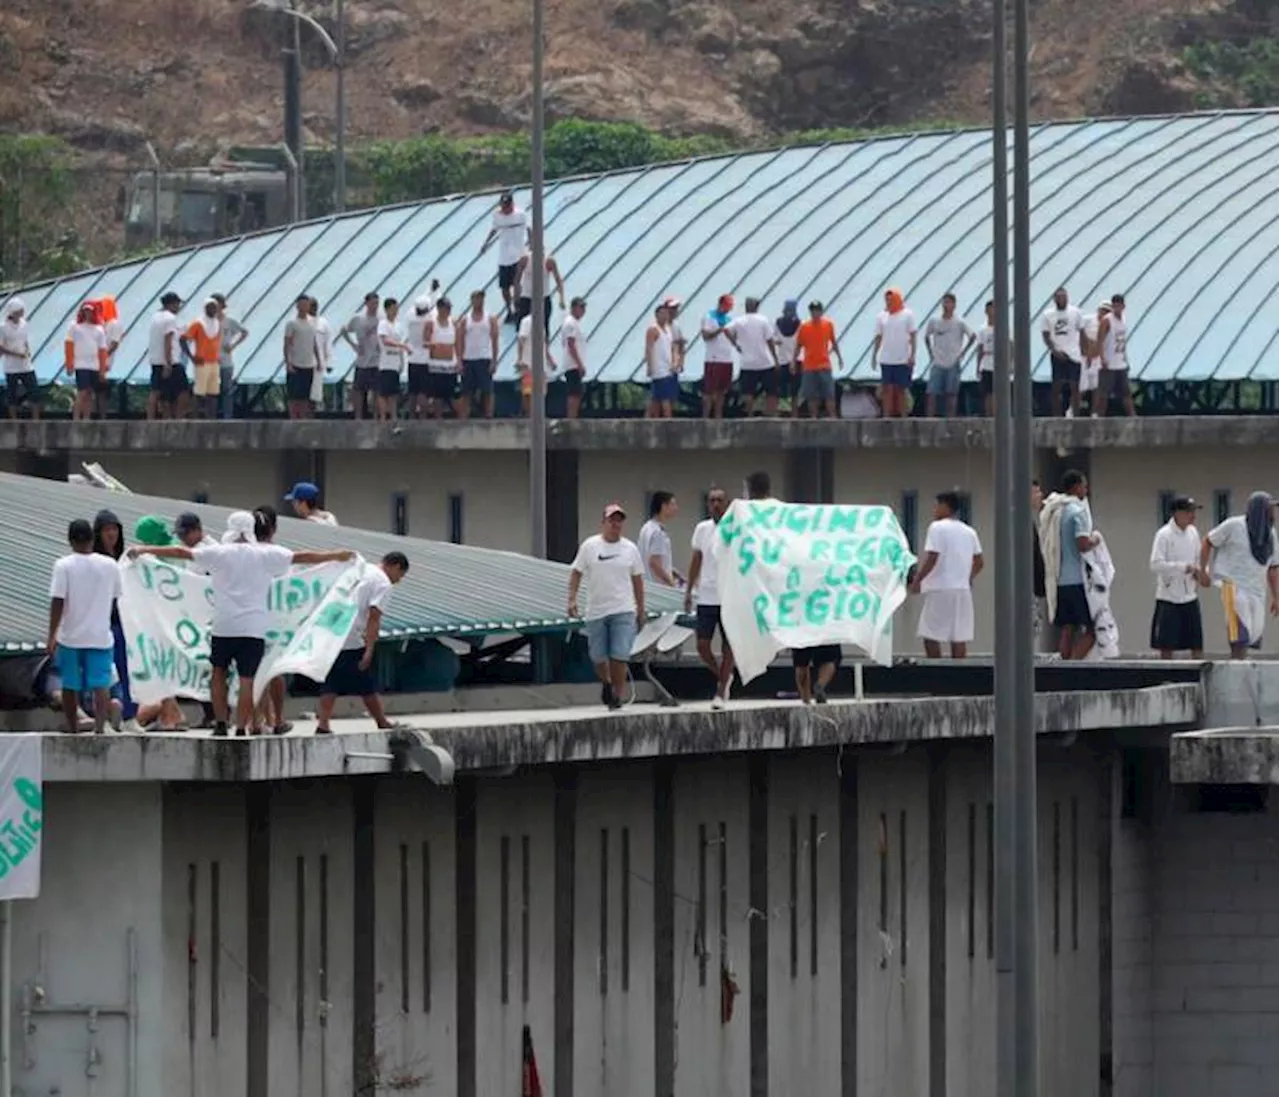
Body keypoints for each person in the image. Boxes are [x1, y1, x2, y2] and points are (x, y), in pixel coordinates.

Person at [129, 510, 355, 737]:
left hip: (223, 625)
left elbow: (181, 552)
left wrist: (144, 550)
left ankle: (219, 723)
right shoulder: (265, 555)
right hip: (254, 628)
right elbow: (302, 557)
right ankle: (240, 727)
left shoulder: (218, 553)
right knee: (248, 679)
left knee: (218, 673)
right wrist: (336, 555)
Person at [314, 552, 410, 735]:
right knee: (365, 681)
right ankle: (381, 722)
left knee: (332, 681)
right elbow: (374, 617)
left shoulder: (362, 569)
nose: (398, 580)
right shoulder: (382, 583)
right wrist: (369, 649)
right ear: (396, 566)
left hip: (331, 628)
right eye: (401, 575)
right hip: (350, 634)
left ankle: (323, 723)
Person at [568, 504, 646, 711]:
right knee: (598, 656)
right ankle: (606, 682)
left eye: (619, 520)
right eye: (612, 520)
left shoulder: (630, 549)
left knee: (619, 654)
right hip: (596, 610)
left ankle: (616, 695)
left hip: (623, 608)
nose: (615, 524)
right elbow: (576, 572)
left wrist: (641, 608)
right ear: (603, 523)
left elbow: (638, 580)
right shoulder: (590, 546)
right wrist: (572, 599)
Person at [48, 518, 122, 735]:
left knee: (70, 685)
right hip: (100, 635)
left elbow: (58, 601)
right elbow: (117, 596)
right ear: (92, 538)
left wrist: (52, 634)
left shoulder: (63, 565)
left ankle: (73, 729)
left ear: (70, 541)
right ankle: (99, 728)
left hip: (70, 636)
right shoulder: (110, 565)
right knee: (101, 684)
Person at [1200, 492, 1280, 659]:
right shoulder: (1234, 525)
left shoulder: (1270, 534)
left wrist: (1276, 596)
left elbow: (1273, 567)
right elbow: (1208, 541)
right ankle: (1237, 661)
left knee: (1253, 632)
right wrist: (1204, 570)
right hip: (1231, 584)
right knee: (1238, 630)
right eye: (1270, 508)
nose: (1273, 513)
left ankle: (1241, 659)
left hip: (1256, 589)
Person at [910, 490, 984, 657]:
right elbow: (979, 562)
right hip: (962, 590)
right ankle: (958, 674)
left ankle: (936, 671)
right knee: (959, 636)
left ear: (945, 507)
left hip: (940, 588)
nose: (934, 510)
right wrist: (968, 577)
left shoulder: (937, 528)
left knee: (930, 634)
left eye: (937, 506)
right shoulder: (969, 531)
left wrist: (918, 580)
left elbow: (933, 557)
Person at [685, 487, 734, 708]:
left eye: (720, 500)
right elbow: (696, 559)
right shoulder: (702, 529)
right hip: (706, 595)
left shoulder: (735, 528)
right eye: (712, 500)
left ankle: (721, 691)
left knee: (728, 646)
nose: (715, 504)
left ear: (726, 504)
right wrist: (688, 590)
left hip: (729, 595)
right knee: (702, 645)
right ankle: (723, 676)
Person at [1149, 496, 1205, 659]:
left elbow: (1198, 559)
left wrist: (1200, 572)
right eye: (1189, 512)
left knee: (1196, 642)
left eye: (1193, 511)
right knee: (1167, 644)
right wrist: (1182, 567)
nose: (1192, 515)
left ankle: (1198, 675)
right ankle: (1166, 674)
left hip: (1190, 595)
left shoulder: (1193, 533)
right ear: (1177, 513)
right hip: (1169, 596)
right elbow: (1155, 564)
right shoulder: (1164, 535)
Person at [1052, 470, 1100, 661]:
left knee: (1068, 627)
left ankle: (1063, 665)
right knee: (1092, 631)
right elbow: (1083, 544)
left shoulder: (1059, 511)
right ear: (1076, 487)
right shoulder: (1077, 512)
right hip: (1078, 580)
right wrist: (1095, 539)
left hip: (1061, 580)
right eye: (1084, 486)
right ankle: (1074, 664)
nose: (1086, 490)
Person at [91, 509, 130, 729]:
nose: (111, 534)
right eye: (107, 529)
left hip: (124, 623)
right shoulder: (96, 561)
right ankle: (103, 714)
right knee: (103, 673)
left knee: (126, 670)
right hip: (102, 623)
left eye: (114, 529)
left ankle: (127, 714)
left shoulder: (123, 559)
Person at [922, 293, 975, 419]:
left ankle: (950, 419)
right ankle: (930, 419)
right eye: (944, 302)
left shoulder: (959, 322)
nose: (946, 305)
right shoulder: (934, 320)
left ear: (954, 305)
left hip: (953, 361)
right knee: (932, 393)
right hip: (938, 361)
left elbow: (972, 336)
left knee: (951, 393)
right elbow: (926, 336)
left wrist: (963, 352)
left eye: (949, 303)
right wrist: (931, 353)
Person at [480, 191, 529, 323]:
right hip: (504, 256)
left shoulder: (520, 214)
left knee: (517, 283)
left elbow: (529, 229)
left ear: (512, 204)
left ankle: (519, 308)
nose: (505, 208)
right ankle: (509, 310)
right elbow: (494, 229)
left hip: (518, 254)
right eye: (503, 206)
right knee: (504, 286)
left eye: (507, 206)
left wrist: (531, 245)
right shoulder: (497, 215)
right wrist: (485, 243)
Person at [1041, 287, 1087, 418]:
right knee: (1057, 385)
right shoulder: (1048, 315)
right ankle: (1056, 415)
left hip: (1074, 353)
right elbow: (1045, 335)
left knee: (1075, 385)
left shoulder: (1076, 312)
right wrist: (1054, 350)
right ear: (1055, 299)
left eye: (1064, 296)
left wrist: (1083, 352)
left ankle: (1076, 414)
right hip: (1058, 352)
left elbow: (1082, 332)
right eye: (1059, 297)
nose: (1062, 299)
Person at [730, 297, 780, 417]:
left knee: (748, 391)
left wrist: (735, 343)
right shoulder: (763, 320)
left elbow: (726, 330)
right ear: (757, 307)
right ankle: (770, 413)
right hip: (764, 361)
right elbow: (769, 340)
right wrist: (775, 359)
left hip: (747, 362)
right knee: (771, 390)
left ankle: (750, 413)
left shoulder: (738, 321)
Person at [457, 290, 500, 421]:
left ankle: (489, 414)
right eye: (475, 299)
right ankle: (464, 415)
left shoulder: (490, 319)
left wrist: (494, 360)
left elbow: (494, 339)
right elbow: (459, 340)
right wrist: (459, 361)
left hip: (484, 358)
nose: (478, 302)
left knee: (487, 389)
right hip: (468, 358)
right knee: (466, 391)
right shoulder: (466, 320)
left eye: (480, 299)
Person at [795, 300, 843, 419]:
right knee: (811, 395)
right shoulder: (804, 326)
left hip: (824, 364)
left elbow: (833, 342)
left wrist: (839, 357)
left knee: (829, 394)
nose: (815, 313)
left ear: (821, 311)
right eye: (813, 310)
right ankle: (813, 417)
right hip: (809, 365)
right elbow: (798, 345)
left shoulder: (828, 325)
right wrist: (793, 360)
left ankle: (832, 416)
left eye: (817, 310)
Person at [874, 288, 916, 419]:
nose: (888, 302)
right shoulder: (881, 316)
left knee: (901, 390)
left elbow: (913, 335)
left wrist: (912, 354)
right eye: (887, 299)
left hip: (902, 358)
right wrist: (874, 354)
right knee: (886, 389)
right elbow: (878, 337)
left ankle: (903, 417)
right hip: (886, 358)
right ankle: (886, 416)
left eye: (891, 299)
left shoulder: (907, 315)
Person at [339, 292, 382, 419]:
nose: (375, 306)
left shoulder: (381, 319)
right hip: (362, 360)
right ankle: (357, 416)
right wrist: (353, 345)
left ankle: (376, 416)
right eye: (373, 303)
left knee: (376, 390)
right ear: (367, 303)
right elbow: (344, 330)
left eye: (377, 303)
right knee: (358, 389)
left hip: (376, 359)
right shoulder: (358, 319)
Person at [64, 303, 108, 422]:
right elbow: (69, 345)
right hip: (81, 364)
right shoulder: (75, 327)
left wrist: (102, 370)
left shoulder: (99, 329)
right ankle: (76, 417)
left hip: (94, 365)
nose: (88, 314)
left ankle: (87, 417)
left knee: (90, 392)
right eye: (85, 311)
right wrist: (69, 364)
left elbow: (102, 350)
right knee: (82, 391)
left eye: (90, 311)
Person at [1095, 293, 1135, 418]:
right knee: (1104, 393)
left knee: (1125, 393)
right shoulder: (1107, 320)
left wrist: (1126, 359)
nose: (1117, 309)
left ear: (1123, 306)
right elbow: (1100, 340)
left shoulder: (1123, 319)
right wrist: (1102, 358)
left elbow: (1123, 341)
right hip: (1109, 363)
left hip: (1120, 362)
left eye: (1119, 306)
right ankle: (1100, 416)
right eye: (1115, 306)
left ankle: (1132, 416)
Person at [181, 298, 223, 419]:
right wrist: (191, 357)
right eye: (210, 307)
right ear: (205, 308)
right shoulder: (198, 323)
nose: (213, 309)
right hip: (202, 361)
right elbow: (183, 339)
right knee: (199, 392)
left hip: (214, 362)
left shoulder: (217, 323)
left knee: (213, 393)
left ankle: (212, 419)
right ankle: (195, 418)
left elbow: (216, 342)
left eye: (214, 307)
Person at [148, 290, 185, 420]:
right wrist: (168, 363)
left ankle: (151, 419)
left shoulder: (155, 317)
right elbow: (168, 341)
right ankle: (179, 417)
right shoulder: (170, 318)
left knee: (157, 391)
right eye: (177, 304)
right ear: (172, 304)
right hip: (170, 360)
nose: (178, 307)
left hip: (155, 359)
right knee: (182, 390)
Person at [514, 246, 566, 338]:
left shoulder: (549, 261)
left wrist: (561, 299)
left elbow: (558, 280)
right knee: (522, 329)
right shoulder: (525, 260)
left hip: (543, 297)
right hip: (527, 297)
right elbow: (517, 280)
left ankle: (545, 349)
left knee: (544, 328)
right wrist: (516, 297)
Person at [700, 294, 737, 419]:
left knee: (722, 390)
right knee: (710, 390)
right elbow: (705, 336)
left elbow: (732, 337)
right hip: (713, 358)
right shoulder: (709, 317)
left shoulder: (729, 319)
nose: (728, 309)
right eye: (726, 306)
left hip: (726, 358)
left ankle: (718, 415)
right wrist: (719, 330)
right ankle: (705, 415)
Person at [211, 293, 248, 420]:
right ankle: (212, 416)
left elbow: (244, 332)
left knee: (227, 389)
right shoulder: (208, 321)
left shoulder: (229, 321)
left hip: (226, 360)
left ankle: (228, 416)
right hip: (211, 360)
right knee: (212, 390)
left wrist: (233, 345)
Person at [422, 297, 459, 420]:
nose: (447, 311)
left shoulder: (453, 322)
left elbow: (458, 342)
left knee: (452, 393)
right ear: (439, 308)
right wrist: (435, 345)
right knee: (437, 395)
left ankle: (459, 417)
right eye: (445, 308)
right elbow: (425, 341)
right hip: (436, 364)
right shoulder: (431, 323)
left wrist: (459, 360)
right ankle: (438, 417)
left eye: (449, 308)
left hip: (450, 364)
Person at [283, 294, 319, 421]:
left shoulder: (313, 322)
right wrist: (288, 362)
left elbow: (314, 342)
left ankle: (303, 418)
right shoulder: (292, 323)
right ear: (297, 306)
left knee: (305, 394)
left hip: (308, 363)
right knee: (294, 394)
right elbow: (287, 343)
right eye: (302, 304)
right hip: (295, 362)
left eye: (307, 304)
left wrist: (318, 360)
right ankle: (293, 418)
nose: (304, 307)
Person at [1, 297, 38, 420]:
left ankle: (36, 420)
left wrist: (27, 352)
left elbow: (25, 341)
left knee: (34, 392)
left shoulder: (24, 324)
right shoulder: (3, 327)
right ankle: (14, 420)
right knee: (12, 394)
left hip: (26, 365)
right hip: (11, 367)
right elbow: (1, 347)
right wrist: (16, 354)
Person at [516, 309, 557, 417]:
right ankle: (529, 415)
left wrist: (550, 360)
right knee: (528, 392)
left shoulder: (541, 323)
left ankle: (537, 415)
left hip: (541, 365)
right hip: (528, 363)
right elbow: (521, 339)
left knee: (541, 392)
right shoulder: (527, 321)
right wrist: (520, 358)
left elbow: (544, 344)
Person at [637, 491, 681, 587]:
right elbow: (654, 563)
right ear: (663, 506)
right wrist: (671, 583)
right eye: (673, 504)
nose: (676, 508)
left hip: (647, 585)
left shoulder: (646, 527)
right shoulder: (658, 532)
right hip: (658, 589)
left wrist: (671, 570)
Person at [376, 297, 408, 421]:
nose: (395, 311)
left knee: (393, 393)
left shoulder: (398, 326)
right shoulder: (383, 324)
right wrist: (401, 346)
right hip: (386, 363)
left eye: (396, 309)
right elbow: (385, 340)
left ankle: (394, 416)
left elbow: (399, 342)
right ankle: (383, 417)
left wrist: (402, 361)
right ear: (387, 309)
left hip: (395, 363)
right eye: (393, 309)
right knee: (384, 392)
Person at [645, 303, 679, 419]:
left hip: (668, 368)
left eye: (667, 313)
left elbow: (673, 347)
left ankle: (651, 420)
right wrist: (649, 366)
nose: (665, 316)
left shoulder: (668, 329)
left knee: (657, 398)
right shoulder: (653, 329)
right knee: (664, 399)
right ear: (657, 315)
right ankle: (667, 421)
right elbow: (648, 348)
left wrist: (675, 362)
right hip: (658, 369)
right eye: (662, 313)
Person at [405, 296, 434, 419]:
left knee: (413, 390)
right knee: (423, 391)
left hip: (412, 357)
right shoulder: (429, 319)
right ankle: (422, 416)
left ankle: (412, 415)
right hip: (425, 358)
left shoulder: (410, 317)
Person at [560, 296, 588, 419]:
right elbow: (571, 344)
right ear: (574, 308)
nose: (583, 310)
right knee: (574, 393)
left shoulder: (574, 323)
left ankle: (573, 417)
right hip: (572, 364)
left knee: (576, 393)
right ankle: (571, 418)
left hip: (574, 364)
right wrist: (579, 364)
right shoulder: (570, 322)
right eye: (580, 307)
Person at [1080, 301, 1108, 418]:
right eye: (1103, 310)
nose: (1105, 313)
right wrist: (1086, 352)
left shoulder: (1108, 324)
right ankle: (1071, 411)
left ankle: (1094, 412)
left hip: (1097, 358)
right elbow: (1080, 335)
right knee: (1081, 387)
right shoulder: (1087, 319)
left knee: (1097, 387)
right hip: (1084, 357)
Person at [774, 299, 802, 415]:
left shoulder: (778, 323)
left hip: (789, 360)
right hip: (791, 361)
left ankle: (790, 414)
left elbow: (775, 340)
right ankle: (787, 413)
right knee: (786, 390)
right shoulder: (800, 323)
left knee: (790, 390)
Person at [309, 297, 333, 410]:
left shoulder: (323, 323)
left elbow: (328, 343)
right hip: (302, 362)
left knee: (315, 392)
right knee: (302, 392)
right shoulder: (301, 321)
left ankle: (311, 416)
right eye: (311, 305)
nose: (313, 308)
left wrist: (328, 363)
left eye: (314, 306)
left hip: (318, 363)